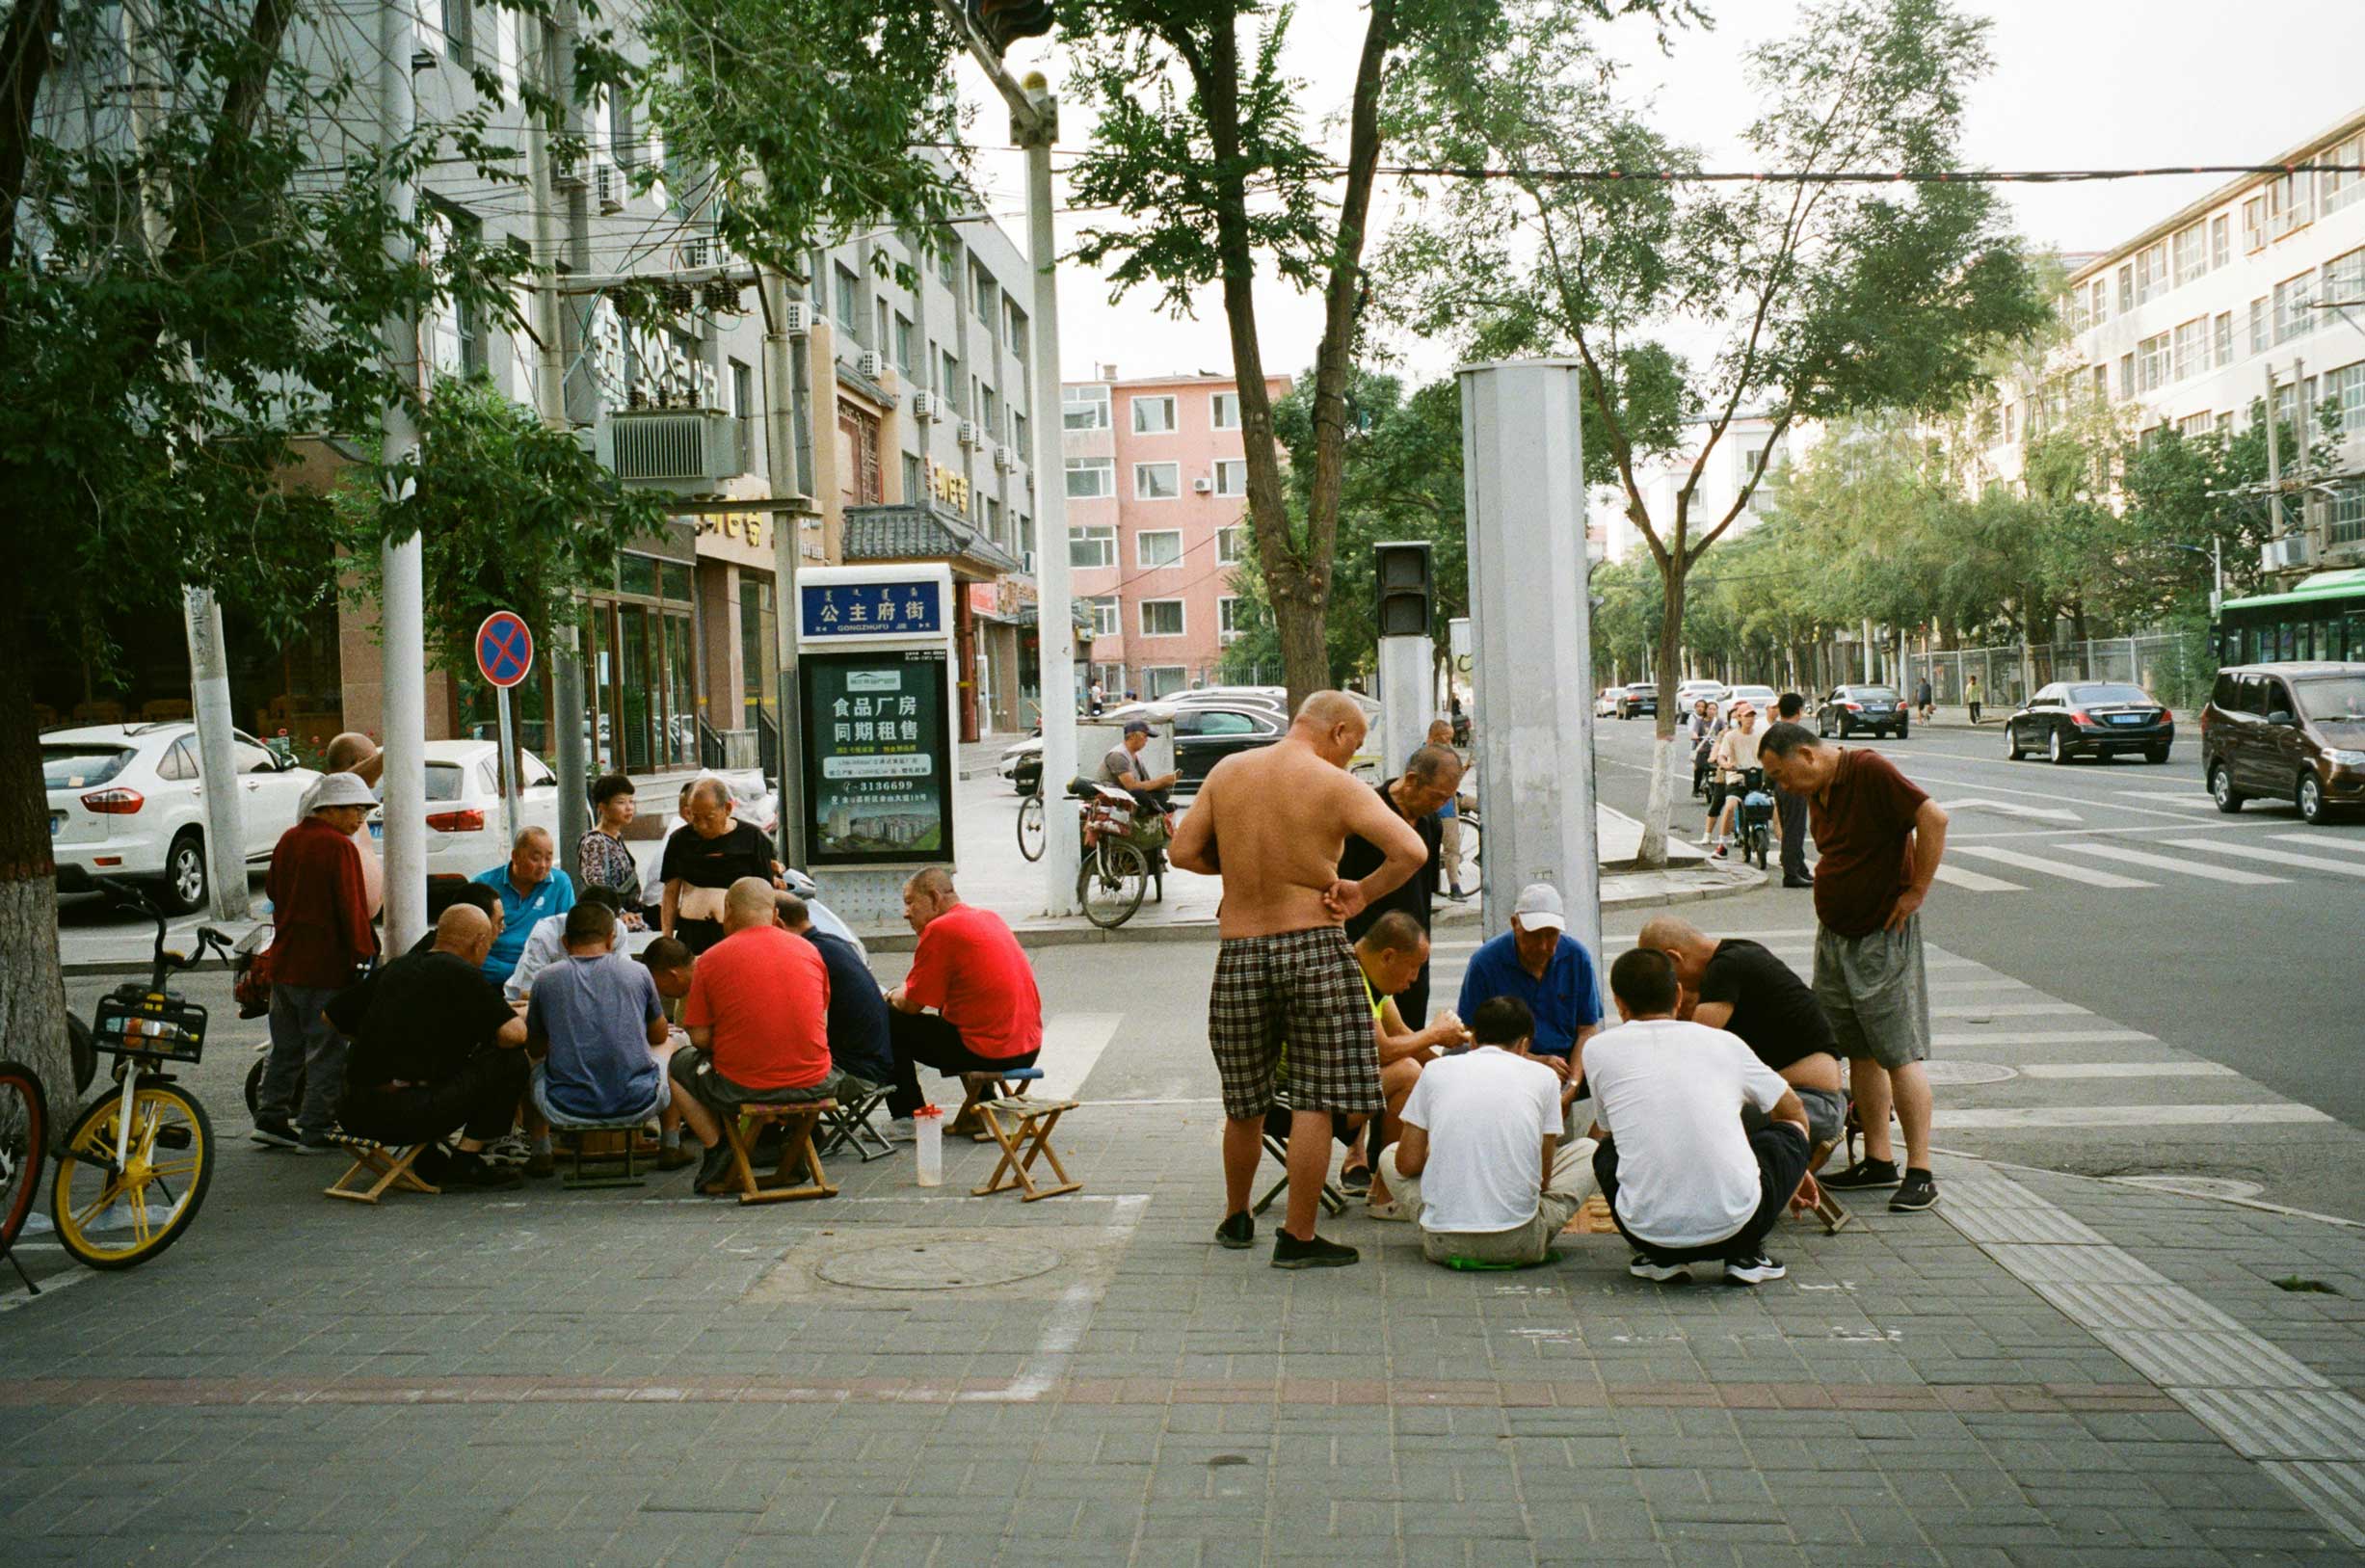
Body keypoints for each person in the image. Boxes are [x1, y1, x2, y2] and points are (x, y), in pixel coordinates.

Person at [1169, 690, 1426, 1269]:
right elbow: (1409, 850)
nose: (1351, 760)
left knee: (1245, 1099)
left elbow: (1181, 851)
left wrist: (1233, 866)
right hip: (1310, 942)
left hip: (1238, 951)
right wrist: (1361, 891)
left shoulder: (1228, 771)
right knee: (1317, 1097)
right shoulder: (1334, 785)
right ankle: (1298, 1237)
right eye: (1354, 746)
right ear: (1336, 731)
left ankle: (1237, 1218)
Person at [1756, 720, 1949, 1213]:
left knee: (1897, 1051)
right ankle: (1878, 1159)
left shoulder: (1867, 769)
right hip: (1837, 935)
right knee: (1857, 1050)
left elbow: (1934, 818)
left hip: (1880, 937)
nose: (1782, 786)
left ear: (1807, 754)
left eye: (1782, 774)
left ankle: (1920, 1170)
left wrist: (1916, 892)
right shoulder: (1818, 791)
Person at [1581, 949, 1812, 1286]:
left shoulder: (1598, 1049)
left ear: (1619, 1003)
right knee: (1786, 1131)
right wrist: (1794, 1172)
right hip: (1740, 1224)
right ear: (1677, 994)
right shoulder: (1725, 1043)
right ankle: (1746, 1256)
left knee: (1605, 1149)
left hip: (1647, 1232)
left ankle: (1662, 1259)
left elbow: (1610, 1131)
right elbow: (1793, 1110)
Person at [1383, 997, 1599, 1268]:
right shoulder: (1543, 1078)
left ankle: (1450, 1217)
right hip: (1520, 1242)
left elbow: (1406, 1163)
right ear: (1524, 1045)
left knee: (1389, 1155)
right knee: (1589, 1150)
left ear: (1472, 1041)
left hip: (1442, 1243)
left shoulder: (1435, 1070)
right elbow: (1542, 1181)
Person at [328, 904, 528, 1191]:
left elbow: (330, 1016)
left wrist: (376, 1040)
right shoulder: (462, 974)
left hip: (352, 1110)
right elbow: (514, 1036)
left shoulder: (398, 966)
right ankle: (466, 1160)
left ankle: (431, 1154)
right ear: (479, 942)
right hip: (409, 1115)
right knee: (509, 1061)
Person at [670, 878, 845, 1192]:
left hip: (745, 1084)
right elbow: (820, 1018)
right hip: (815, 1079)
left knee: (678, 1063)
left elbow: (699, 1040)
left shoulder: (710, 959)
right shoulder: (809, 950)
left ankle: (717, 1146)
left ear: (728, 912)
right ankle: (794, 1144)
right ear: (775, 912)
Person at [1638, 916, 1847, 1156]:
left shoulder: (1725, 968)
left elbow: (1689, 1052)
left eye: (1664, 976)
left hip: (1814, 1105)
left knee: (1682, 1119)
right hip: (1805, 1102)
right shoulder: (1737, 952)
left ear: (1675, 958)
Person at [253, 772, 381, 1152]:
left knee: (284, 1048)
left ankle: (270, 1117)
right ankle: (315, 1127)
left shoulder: (289, 840)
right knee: (326, 1051)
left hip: (287, 962)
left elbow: (274, 891)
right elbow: (350, 908)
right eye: (356, 809)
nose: (362, 818)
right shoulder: (338, 848)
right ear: (332, 809)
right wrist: (365, 955)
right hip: (326, 968)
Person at [520, 900, 690, 1177]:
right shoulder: (637, 973)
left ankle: (540, 1150)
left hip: (561, 1106)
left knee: (525, 1058)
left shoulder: (545, 979)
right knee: (674, 1042)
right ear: (612, 937)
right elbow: (658, 1034)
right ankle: (671, 1143)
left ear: (564, 941)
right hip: (639, 1101)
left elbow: (536, 1045)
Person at [883, 868, 1043, 1123]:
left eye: (910, 902)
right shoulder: (988, 917)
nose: (906, 913)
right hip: (1027, 1047)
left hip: (989, 1052)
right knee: (950, 1012)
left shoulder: (940, 929)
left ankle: (909, 1117)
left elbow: (910, 1006)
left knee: (887, 1019)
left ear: (934, 898)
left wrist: (890, 995)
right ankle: (984, 1102)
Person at [1333, 911, 1468, 1211]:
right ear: (1388, 957)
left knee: (1417, 1067)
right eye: (1413, 968)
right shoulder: (1351, 980)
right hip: (1315, 1100)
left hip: (1338, 1086)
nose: (1414, 979)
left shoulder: (1367, 973)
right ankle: (1386, 1191)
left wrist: (1457, 1066)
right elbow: (1385, 1051)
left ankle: (1386, 1184)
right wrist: (1434, 1033)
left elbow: (1404, 1037)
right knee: (1407, 1073)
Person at [1336, 742, 1465, 1027]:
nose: (1440, 805)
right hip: (1373, 951)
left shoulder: (1431, 822)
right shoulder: (1368, 813)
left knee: (1413, 1028)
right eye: (1436, 796)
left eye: (1448, 798)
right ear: (1412, 781)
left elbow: (1424, 889)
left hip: (1412, 952)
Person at [1455, 883, 1604, 1068]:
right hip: (1505, 1064)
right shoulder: (1485, 962)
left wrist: (1572, 1084)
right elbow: (1471, 1033)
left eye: (1551, 935)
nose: (1542, 946)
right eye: (1533, 935)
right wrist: (1534, 1061)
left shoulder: (1577, 957)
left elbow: (1587, 1030)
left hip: (1565, 1063)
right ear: (1514, 924)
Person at [778, 891, 894, 1105]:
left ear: (777, 921)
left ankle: (796, 1135)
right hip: (872, 1064)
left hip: (851, 1072)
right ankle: (802, 1134)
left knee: (763, 1075)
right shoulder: (833, 943)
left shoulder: (808, 955)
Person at [660, 778, 778, 954]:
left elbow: (765, 893)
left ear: (728, 809)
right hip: (693, 934)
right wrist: (667, 938)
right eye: (695, 817)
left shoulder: (752, 837)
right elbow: (670, 893)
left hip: (738, 935)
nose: (701, 825)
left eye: (709, 818)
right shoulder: (679, 840)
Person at [470, 827, 574, 985]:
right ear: (515, 856)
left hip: (540, 971)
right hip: (493, 970)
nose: (543, 865)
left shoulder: (560, 883)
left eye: (548, 858)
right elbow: (469, 943)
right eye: (536, 858)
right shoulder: (484, 884)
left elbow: (568, 933)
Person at [298, 731, 385, 917]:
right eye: (371, 761)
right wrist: (390, 754)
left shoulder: (347, 804)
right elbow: (347, 781)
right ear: (358, 762)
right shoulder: (321, 794)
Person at [505, 885, 624, 1003]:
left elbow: (623, 980)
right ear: (565, 942)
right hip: (537, 1001)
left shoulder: (618, 931)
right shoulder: (545, 933)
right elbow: (528, 993)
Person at [577, 773, 646, 920]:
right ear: (602, 807)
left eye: (631, 801)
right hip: (611, 918)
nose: (629, 808)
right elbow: (597, 889)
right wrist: (620, 914)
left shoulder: (617, 837)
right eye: (621, 802)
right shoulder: (594, 842)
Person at [1702, 700, 1765, 858]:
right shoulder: (1730, 736)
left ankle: (1785, 849)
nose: (1750, 719)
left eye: (1752, 716)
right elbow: (1721, 756)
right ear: (1739, 718)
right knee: (1730, 806)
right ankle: (1722, 845)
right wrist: (1726, 764)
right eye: (1747, 716)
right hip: (1737, 778)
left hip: (1758, 778)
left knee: (1774, 806)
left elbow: (1769, 756)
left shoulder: (1760, 736)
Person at [1099, 719, 1179, 830]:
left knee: (1161, 792)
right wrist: (1161, 781)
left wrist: (1163, 783)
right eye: (1144, 737)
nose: (1146, 741)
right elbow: (1131, 786)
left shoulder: (1136, 756)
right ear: (1132, 736)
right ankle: (1154, 808)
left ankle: (1154, 807)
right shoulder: (1118, 755)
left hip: (1131, 793)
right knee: (1138, 793)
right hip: (1116, 795)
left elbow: (1145, 781)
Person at [1771, 693, 1814, 889]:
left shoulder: (1774, 731)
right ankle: (1791, 872)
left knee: (1792, 825)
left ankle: (1800, 867)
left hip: (1780, 783)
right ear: (1799, 710)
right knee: (1794, 829)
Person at [1424, 719, 1469, 899]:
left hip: (1450, 801)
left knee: (1453, 848)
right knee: (1451, 848)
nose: (1449, 742)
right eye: (1446, 738)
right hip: (1439, 807)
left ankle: (1454, 885)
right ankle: (1453, 886)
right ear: (1435, 737)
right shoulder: (1426, 757)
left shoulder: (1445, 754)